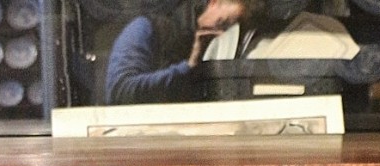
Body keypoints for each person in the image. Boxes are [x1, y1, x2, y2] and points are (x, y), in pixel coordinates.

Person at [105, 0, 262, 106]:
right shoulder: (146, 29)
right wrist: (188, 67)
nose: (223, 34)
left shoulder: (218, 52)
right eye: (223, 23)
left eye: (231, 30)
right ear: (213, 4)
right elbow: (120, 90)